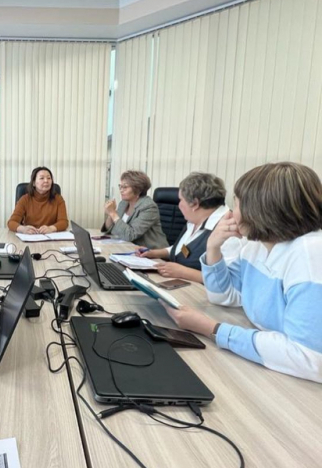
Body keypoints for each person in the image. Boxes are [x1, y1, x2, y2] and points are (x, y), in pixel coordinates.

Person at [161, 162, 322, 383]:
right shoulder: (255, 246)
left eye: (235, 204)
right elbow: (223, 296)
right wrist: (213, 247)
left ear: (260, 209)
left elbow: (308, 358)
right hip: (275, 366)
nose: (230, 213)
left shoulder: (311, 254)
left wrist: (212, 329)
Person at [138, 172, 241, 283]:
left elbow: (227, 282)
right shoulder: (194, 220)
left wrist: (183, 272)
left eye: (181, 200)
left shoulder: (229, 231)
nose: (179, 205)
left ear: (195, 204)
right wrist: (154, 253)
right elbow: (183, 248)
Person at [102, 170, 167, 248]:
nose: (121, 190)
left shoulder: (149, 207)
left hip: (151, 251)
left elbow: (130, 235)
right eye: (120, 186)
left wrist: (113, 213)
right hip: (128, 248)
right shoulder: (123, 203)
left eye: (125, 187)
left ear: (138, 190)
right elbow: (110, 230)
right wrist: (110, 213)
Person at [7, 166, 68, 234]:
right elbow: (11, 222)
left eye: (49, 178)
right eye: (42, 178)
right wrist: (23, 229)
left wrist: (51, 228)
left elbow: (64, 222)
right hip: (30, 236)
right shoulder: (25, 199)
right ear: (34, 183)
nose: (46, 181)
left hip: (50, 236)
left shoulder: (58, 199)